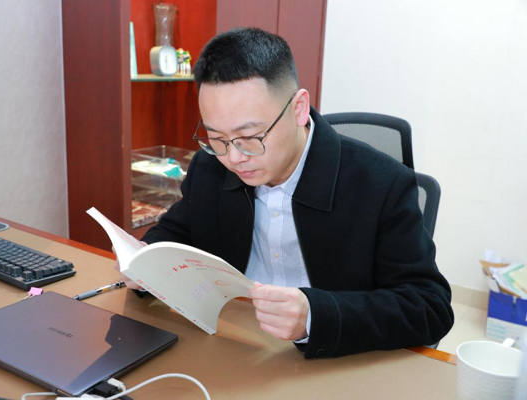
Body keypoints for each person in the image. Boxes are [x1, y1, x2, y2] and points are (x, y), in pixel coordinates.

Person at [122, 27, 454, 359]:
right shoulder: (210, 167)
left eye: (250, 136)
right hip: (237, 342)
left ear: (299, 109)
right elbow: (178, 232)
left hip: (337, 356)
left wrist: (314, 315)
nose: (234, 157)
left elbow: (429, 306)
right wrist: (145, 260)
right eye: (216, 138)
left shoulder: (381, 183)